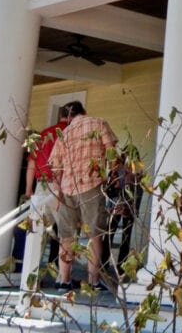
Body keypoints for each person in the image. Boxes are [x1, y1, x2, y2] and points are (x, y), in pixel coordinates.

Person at [48, 101, 118, 292]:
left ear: (68, 117)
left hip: (67, 189)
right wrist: (113, 175)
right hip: (92, 185)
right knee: (94, 235)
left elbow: (56, 167)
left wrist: (58, 193)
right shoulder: (98, 123)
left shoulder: (64, 134)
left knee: (67, 237)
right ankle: (93, 281)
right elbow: (111, 150)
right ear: (84, 111)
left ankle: (64, 279)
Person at [25, 104, 71, 267]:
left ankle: (33, 274)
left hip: (41, 186)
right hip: (60, 186)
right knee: (66, 232)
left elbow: (32, 163)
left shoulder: (44, 134)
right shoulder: (69, 134)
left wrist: (29, 189)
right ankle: (63, 277)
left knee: (39, 231)